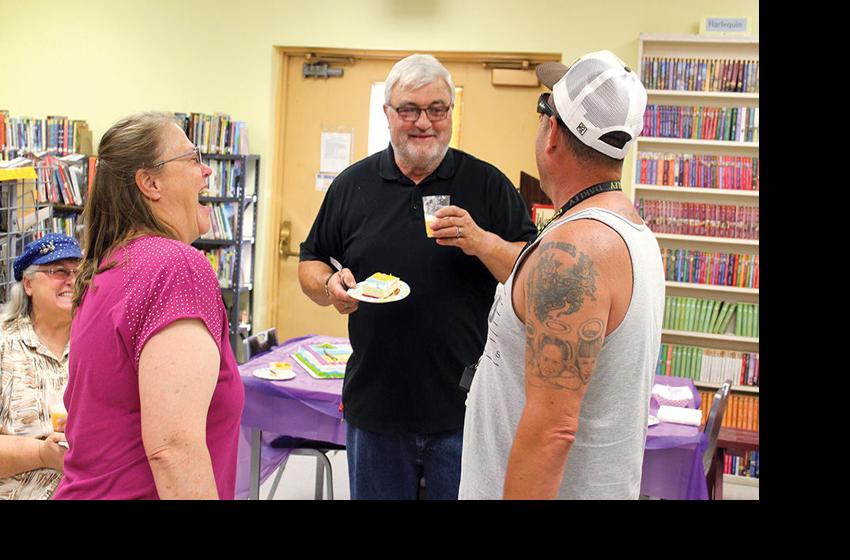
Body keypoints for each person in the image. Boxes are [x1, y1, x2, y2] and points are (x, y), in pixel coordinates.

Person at [299, 54, 537, 499]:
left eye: (437, 109)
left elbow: (532, 272)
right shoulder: (352, 185)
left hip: (463, 410)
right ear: (388, 114)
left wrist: (482, 241)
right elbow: (310, 261)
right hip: (376, 409)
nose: (424, 122)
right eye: (409, 109)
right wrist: (329, 287)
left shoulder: (486, 184)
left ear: (451, 113)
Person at [459, 50, 666, 499]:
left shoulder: (575, 251)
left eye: (542, 111)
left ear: (552, 131)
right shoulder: (627, 230)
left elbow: (552, 432)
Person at [52, 112, 244, 500]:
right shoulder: (174, 266)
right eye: (192, 158)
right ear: (150, 183)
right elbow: (173, 450)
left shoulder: (107, 267)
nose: (207, 170)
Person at [0, 233, 81, 499]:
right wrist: (42, 454)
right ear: (28, 284)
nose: (71, 280)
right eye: (58, 271)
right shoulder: (4, 345)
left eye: (77, 271)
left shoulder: (96, 344)